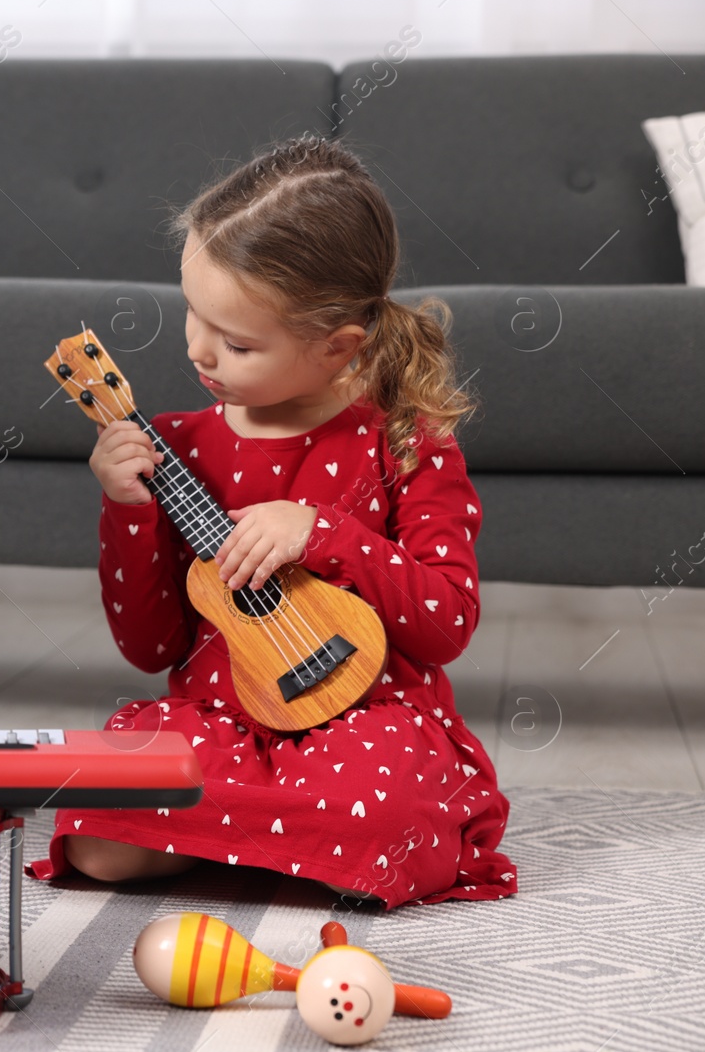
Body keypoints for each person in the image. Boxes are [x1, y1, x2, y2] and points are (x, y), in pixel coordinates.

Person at [33, 135, 516, 907]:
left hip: (365, 724)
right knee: (91, 819)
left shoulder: (403, 439)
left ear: (338, 347)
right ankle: (298, 846)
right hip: (217, 718)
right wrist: (127, 512)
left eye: (237, 341)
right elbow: (149, 643)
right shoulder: (180, 447)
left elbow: (447, 619)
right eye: (192, 314)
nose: (199, 349)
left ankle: (234, 840)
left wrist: (323, 534)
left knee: (388, 808)